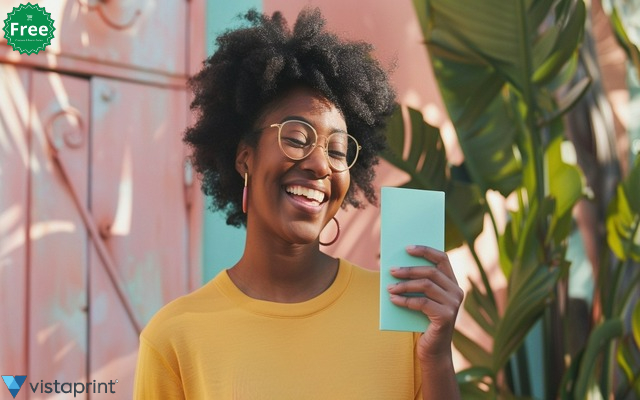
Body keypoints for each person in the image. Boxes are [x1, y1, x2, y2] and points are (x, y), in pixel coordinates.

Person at [134, 8, 463, 399]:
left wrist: (438, 358)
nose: (321, 165)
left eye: (338, 150)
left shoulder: (402, 314)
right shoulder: (175, 336)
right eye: (295, 137)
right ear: (245, 157)